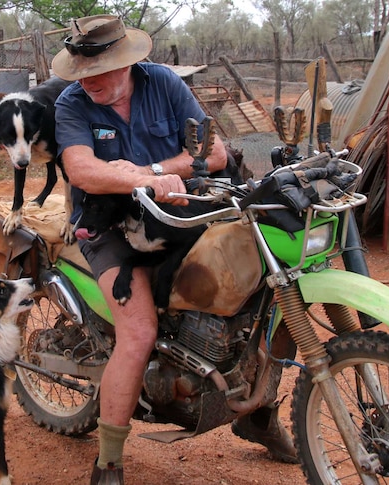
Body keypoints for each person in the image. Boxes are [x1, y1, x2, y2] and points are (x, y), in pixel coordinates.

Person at [51, 15, 296, 484]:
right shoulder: (72, 104)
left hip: (183, 215)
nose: (91, 82)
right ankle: (108, 461)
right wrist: (147, 179)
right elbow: (83, 171)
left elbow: (216, 153)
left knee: (262, 303)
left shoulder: (162, 83)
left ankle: (256, 415)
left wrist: (159, 169)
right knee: (139, 332)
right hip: (110, 227)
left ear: (127, 62)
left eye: (101, 70)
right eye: (83, 73)